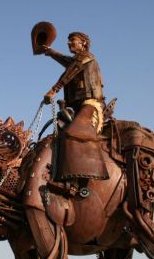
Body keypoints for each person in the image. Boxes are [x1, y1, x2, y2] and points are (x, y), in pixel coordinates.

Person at [41, 32, 109, 182]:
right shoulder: (77, 60)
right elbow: (68, 61)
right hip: (76, 107)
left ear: (83, 43)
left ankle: (83, 177)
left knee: (74, 131)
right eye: (69, 41)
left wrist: (54, 90)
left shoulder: (86, 57)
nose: (69, 43)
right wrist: (50, 52)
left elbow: (71, 69)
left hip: (91, 104)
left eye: (73, 40)